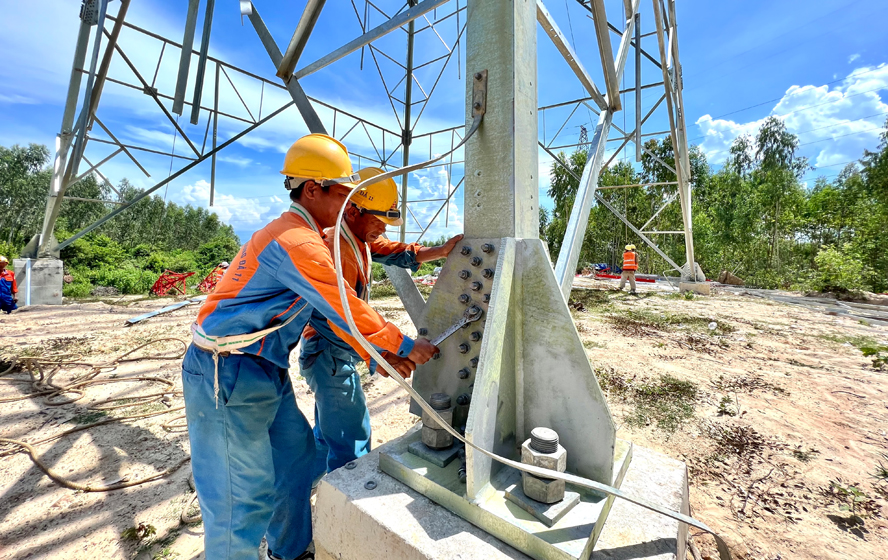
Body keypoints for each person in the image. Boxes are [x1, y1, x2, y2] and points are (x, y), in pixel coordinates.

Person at [181, 134, 438, 560]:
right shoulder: (295, 240)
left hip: (263, 369)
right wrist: (404, 344)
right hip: (223, 372)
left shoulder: (311, 236)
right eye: (343, 196)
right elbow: (343, 303)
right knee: (238, 500)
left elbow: (328, 313)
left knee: (297, 462)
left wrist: (383, 353)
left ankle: (292, 552)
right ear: (313, 189)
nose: (348, 208)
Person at [299, 167, 463, 481]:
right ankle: (348, 495)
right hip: (328, 351)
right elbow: (342, 319)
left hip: (332, 352)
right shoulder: (335, 247)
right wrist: (384, 355)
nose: (382, 228)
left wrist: (439, 251)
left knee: (328, 432)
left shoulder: (358, 236)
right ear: (352, 210)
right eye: (378, 221)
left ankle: (319, 486)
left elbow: (392, 252)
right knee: (352, 435)